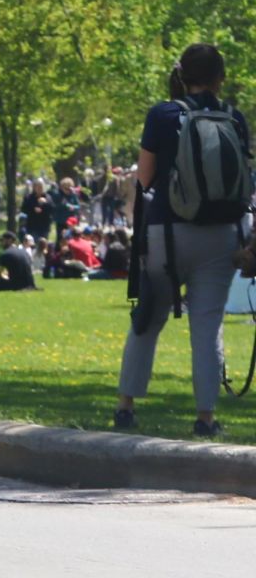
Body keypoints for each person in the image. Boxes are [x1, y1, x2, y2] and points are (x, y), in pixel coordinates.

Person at [116, 43, 250, 438]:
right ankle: (205, 416)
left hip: (166, 233)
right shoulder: (235, 119)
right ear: (220, 78)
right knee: (208, 327)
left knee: (148, 321)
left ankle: (126, 405)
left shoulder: (162, 114)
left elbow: (144, 179)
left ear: (182, 75)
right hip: (222, 236)